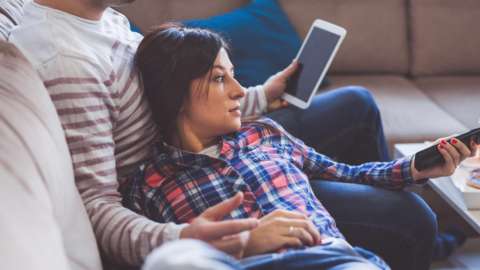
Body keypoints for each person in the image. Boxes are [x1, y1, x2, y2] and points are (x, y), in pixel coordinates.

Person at [6, 0, 441, 269]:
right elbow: (97, 206)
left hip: (210, 140)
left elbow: (174, 91)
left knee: (355, 103)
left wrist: (258, 98)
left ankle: (312, 193)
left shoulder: (103, 19)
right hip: (182, 177)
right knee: (409, 219)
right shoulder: (66, 60)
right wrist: (186, 236)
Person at [123, 24, 478, 270]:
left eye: (233, 75)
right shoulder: (150, 184)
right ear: (176, 93)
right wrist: (245, 242)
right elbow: (150, 255)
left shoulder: (264, 133)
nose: (240, 91)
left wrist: (418, 167)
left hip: (331, 257)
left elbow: (349, 174)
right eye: (219, 78)